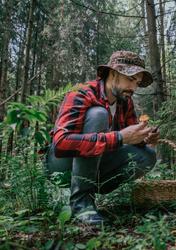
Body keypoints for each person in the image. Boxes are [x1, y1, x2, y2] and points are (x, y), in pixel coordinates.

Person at [45, 51, 159, 225]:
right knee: (99, 114)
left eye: (137, 82)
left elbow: (128, 139)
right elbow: (61, 144)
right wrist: (120, 137)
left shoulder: (125, 101)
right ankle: (81, 204)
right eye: (130, 79)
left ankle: (92, 186)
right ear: (113, 73)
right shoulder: (82, 93)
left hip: (96, 163)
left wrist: (143, 138)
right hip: (60, 163)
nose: (134, 88)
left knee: (147, 155)